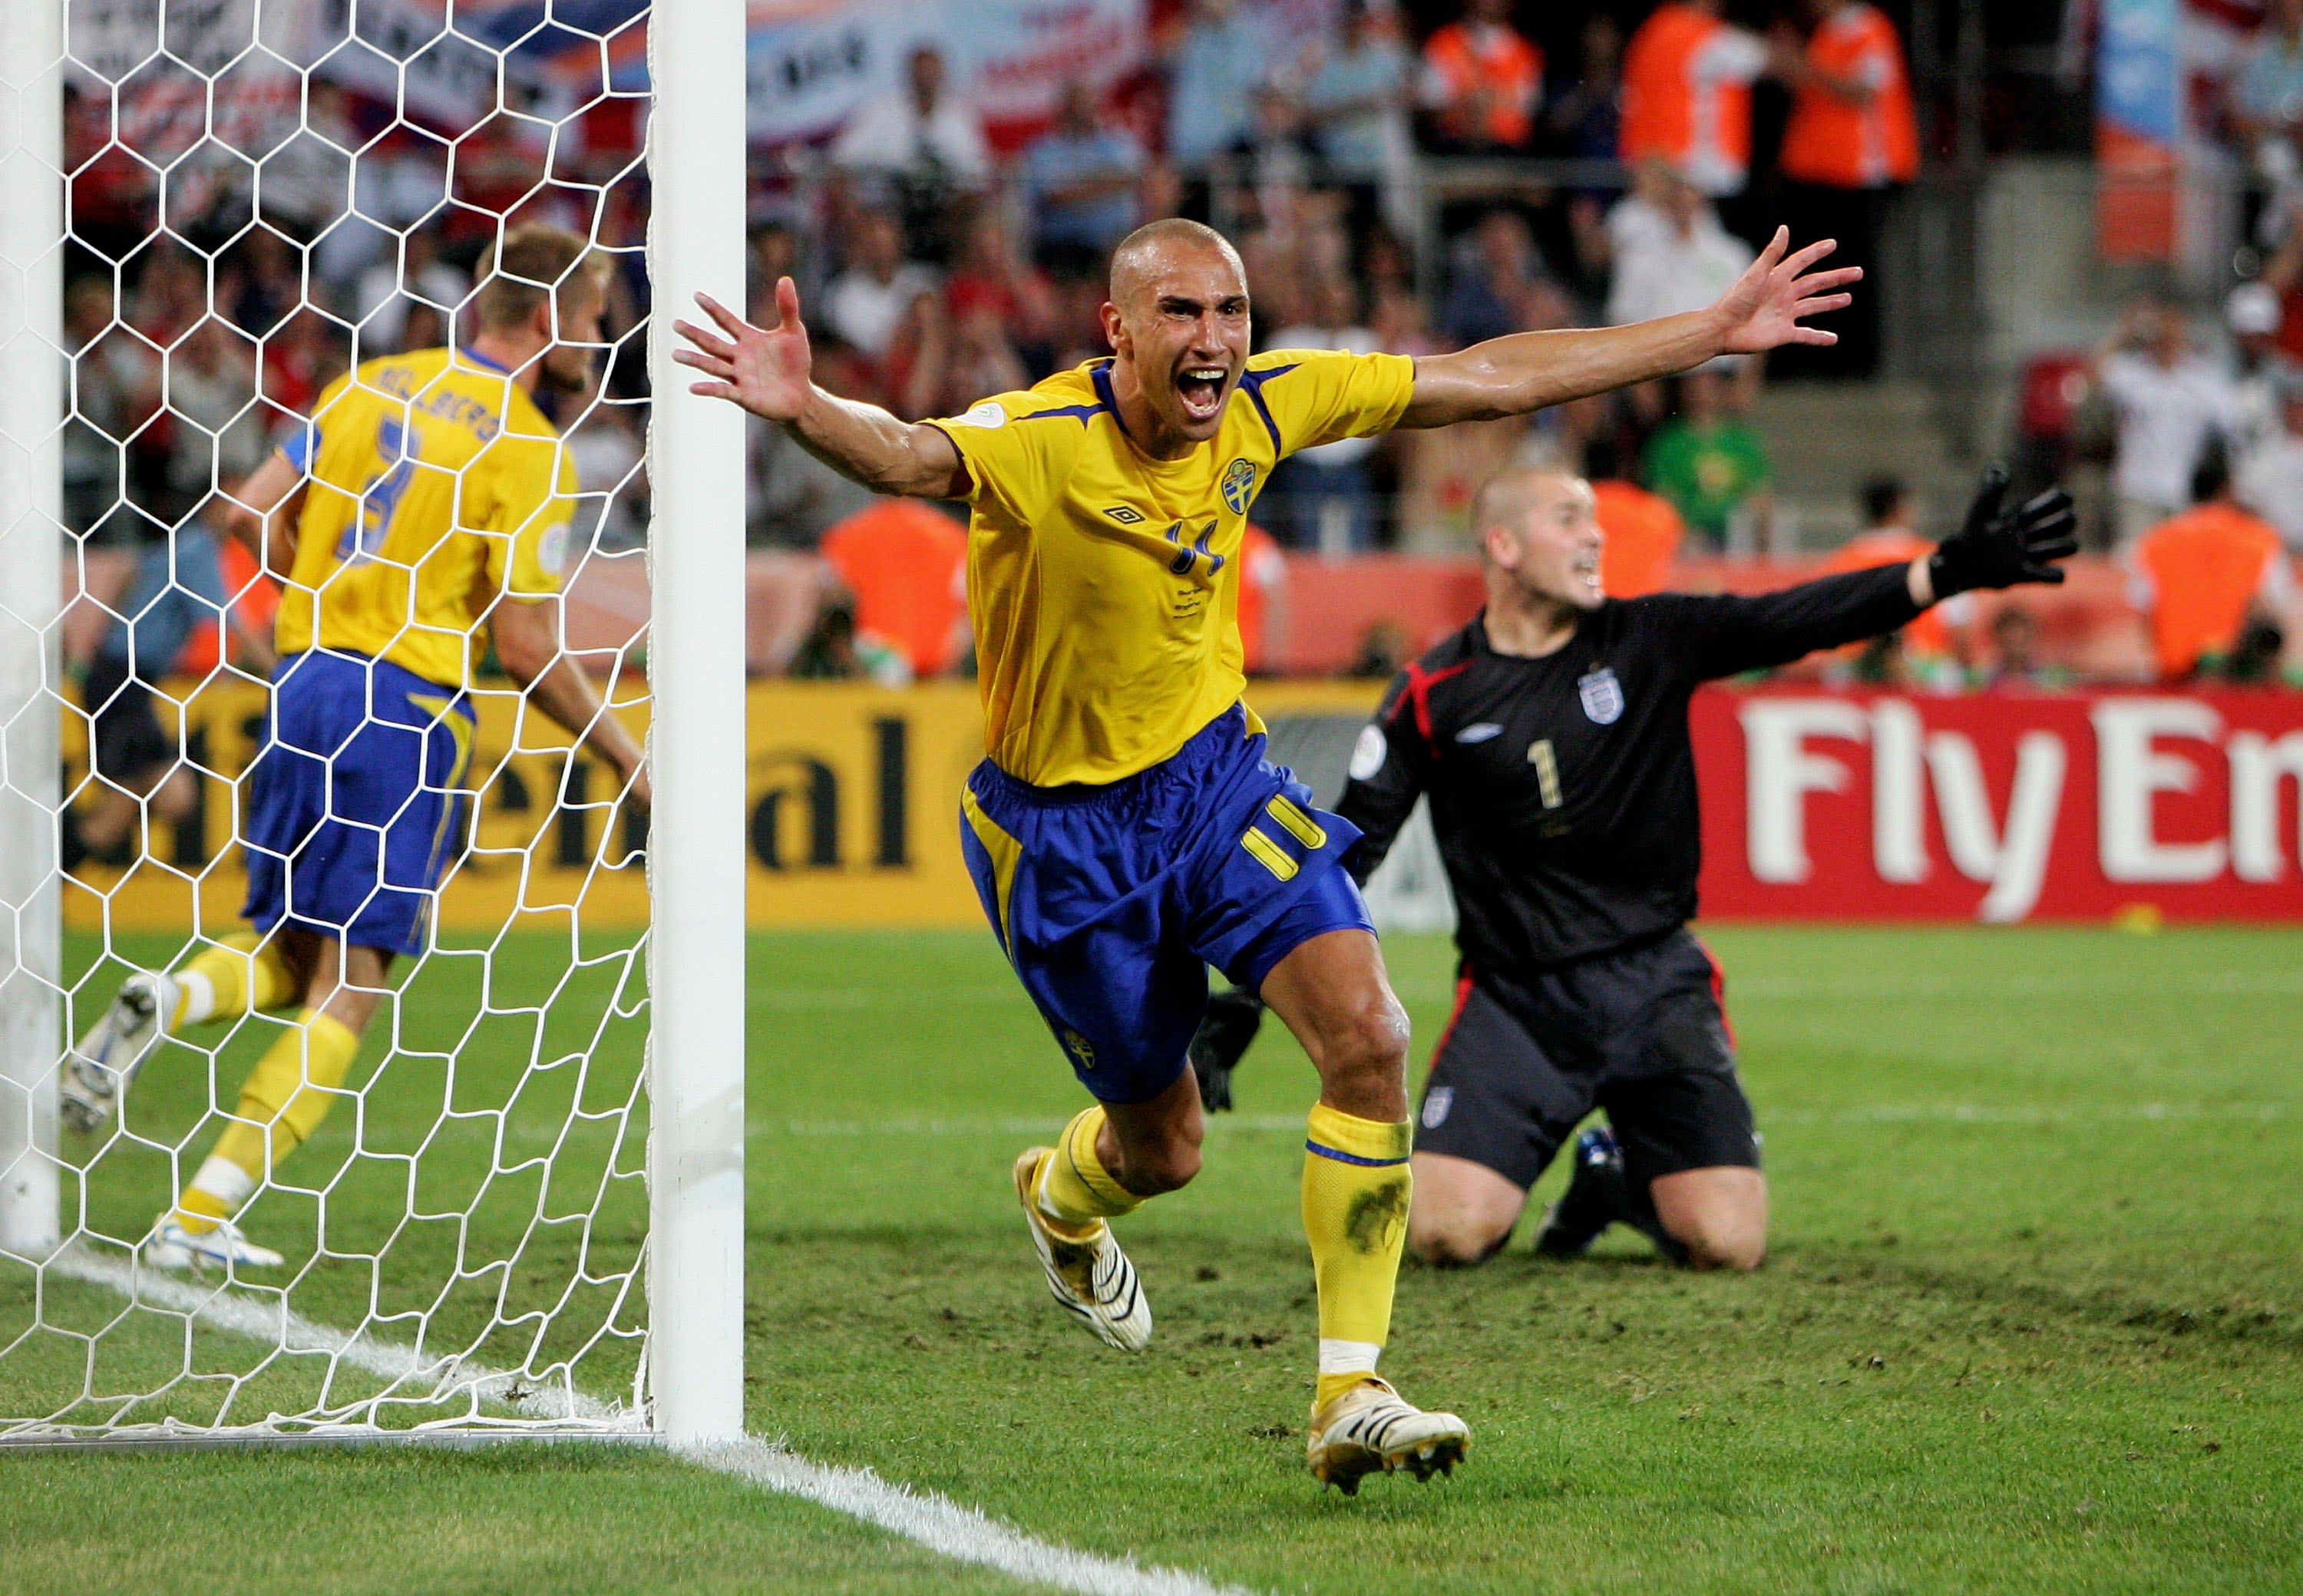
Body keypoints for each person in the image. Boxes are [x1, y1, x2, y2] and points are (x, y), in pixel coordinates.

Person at [672, 212, 1860, 1491]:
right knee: (1164, 1148)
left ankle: (1351, 1385)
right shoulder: (1040, 441)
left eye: (1231, 312)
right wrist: (802, 409)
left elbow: (1493, 372)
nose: (1216, 340)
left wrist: (1707, 331)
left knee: (1371, 1035)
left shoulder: (1264, 404)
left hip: (1219, 783)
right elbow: (910, 456)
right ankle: (1063, 1193)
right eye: (1182, 313)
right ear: (1116, 331)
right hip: (1061, 836)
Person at [1186, 465, 2074, 1273]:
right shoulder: (1435, 691)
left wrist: (1947, 571)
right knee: (1446, 1235)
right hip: (1517, 1002)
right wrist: (1254, 987)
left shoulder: (1650, 637)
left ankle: (1612, 1178)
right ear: (1503, 546)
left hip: (1658, 987)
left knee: (1727, 1243)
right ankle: (1561, 1158)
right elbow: (1358, 845)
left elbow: (1800, 615)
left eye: (1596, 520)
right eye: (1569, 519)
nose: (1595, 537)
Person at [62, 225, 653, 1271]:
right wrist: (624, 750)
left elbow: (242, 514)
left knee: (294, 950)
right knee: (357, 975)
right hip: (406, 708)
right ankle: (195, 1219)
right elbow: (521, 643)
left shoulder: (367, 384)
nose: (602, 334)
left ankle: (167, 999)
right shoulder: (527, 447)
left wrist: (319, 600)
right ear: (554, 313)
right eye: (598, 313)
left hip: (301, 682)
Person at [1770, 0, 1918, 380]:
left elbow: (1864, 90)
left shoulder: (1868, 27)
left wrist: (1806, 66)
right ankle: (1820, 359)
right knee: (1821, 269)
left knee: (1853, 271)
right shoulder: (1829, 32)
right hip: (1818, 171)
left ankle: (1855, 364)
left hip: (1855, 173)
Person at [2130, 451, 2295, 679]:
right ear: (2227, 489)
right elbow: (2274, 606)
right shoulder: (2260, 539)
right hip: (2239, 675)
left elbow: (2145, 609)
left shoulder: (2155, 541)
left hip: (2176, 676)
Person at [2094, 299, 2238, 547]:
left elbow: (2232, 429)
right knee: (2133, 564)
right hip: (2136, 490)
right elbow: (2094, 374)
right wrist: (2123, 331)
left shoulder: (2202, 380)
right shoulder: (2133, 372)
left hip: (2180, 492)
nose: (2167, 342)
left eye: (2174, 333)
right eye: (2162, 334)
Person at [1619, 0, 1769, 200]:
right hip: (1697, 172)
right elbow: (1765, 59)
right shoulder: (1704, 35)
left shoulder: (1652, 30)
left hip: (1652, 165)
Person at [1641, 365, 1771, 551]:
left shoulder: (1742, 441)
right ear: (1684, 389)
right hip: (1688, 538)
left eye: (1711, 385)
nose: (1702, 392)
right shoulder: (1668, 442)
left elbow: (1758, 497)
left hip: (1735, 536)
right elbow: (1664, 500)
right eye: (1695, 385)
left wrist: (1762, 544)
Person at [1022, 82, 1145, 277]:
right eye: (1076, 106)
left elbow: (1132, 176)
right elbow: (1054, 196)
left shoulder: (1117, 144)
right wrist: (1104, 182)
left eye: (1087, 105)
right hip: (1060, 244)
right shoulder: (1044, 150)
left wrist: (1081, 188)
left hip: (1111, 243)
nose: (1082, 112)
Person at [1418, 0, 1544, 154]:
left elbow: (1530, 106)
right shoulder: (1444, 42)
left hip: (1509, 153)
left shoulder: (1525, 51)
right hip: (1454, 149)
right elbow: (1431, 103)